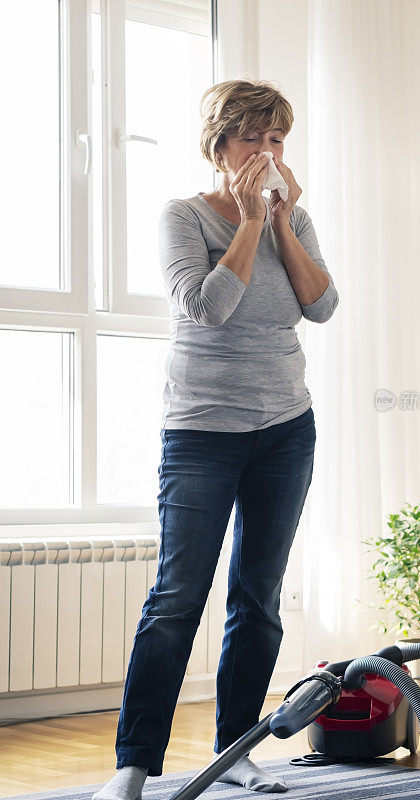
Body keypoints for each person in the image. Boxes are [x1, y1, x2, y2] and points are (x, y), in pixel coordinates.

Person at [93, 78, 339, 800]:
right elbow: (207, 309)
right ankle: (132, 766)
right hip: (201, 433)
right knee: (175, 600)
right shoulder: (182, 217)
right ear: (220, 145)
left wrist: (283, 224)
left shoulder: (296, 219)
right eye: (253, 137)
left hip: (286, 430)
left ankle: (236, 751)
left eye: (276, 138)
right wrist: (247, 224)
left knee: (257, 598)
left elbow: (320, 306)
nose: (267, 151)